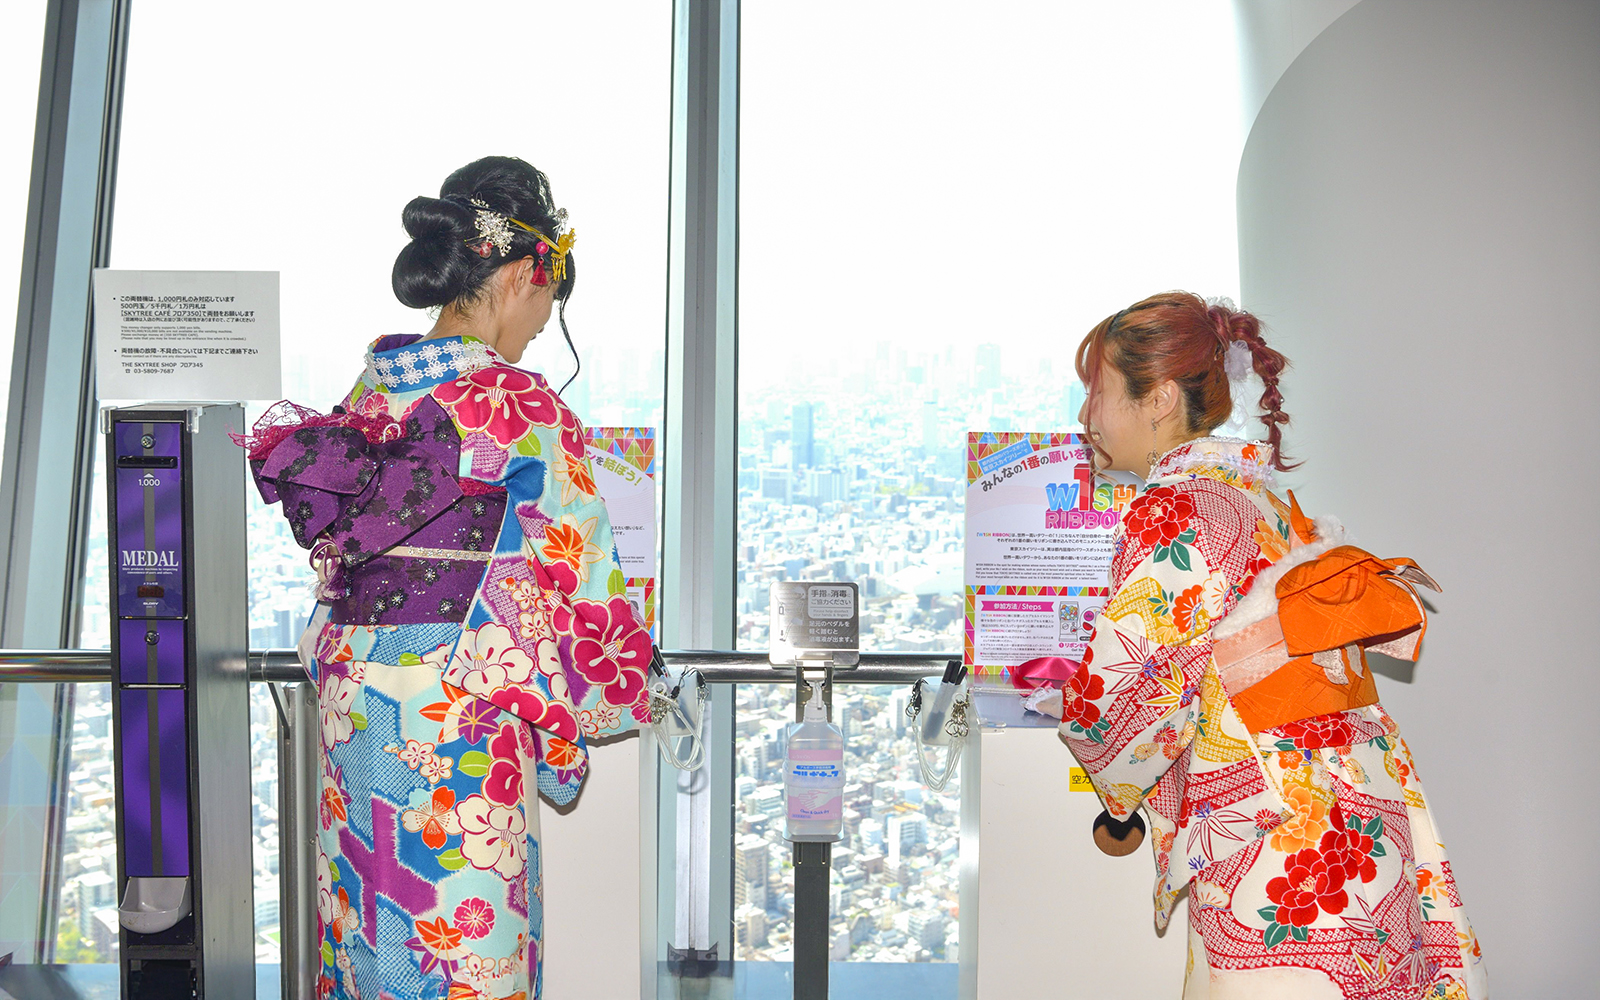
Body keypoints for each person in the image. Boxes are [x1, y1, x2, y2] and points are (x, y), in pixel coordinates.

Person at [239, 156, 652, 1000]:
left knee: (364, 908)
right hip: (457, 699)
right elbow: (581, 567)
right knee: (464, 927)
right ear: (521, 274)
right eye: (548, 297)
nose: (541, 324)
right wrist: (610, 694)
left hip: (357, 693)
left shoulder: (370, 390)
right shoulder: (515, 403)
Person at [1055, 292, 1486, 999]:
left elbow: (1128, 687)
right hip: (1354, 801)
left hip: (1280, 834)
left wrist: (1096, 752)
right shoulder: (1266, 501)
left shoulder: (1178, 505)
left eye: (1097, 395)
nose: (1084, 418)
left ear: (1158, 398)